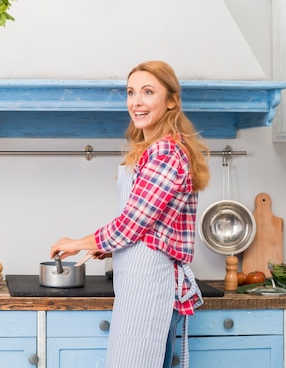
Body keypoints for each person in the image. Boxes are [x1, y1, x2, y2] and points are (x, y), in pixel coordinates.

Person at [50, 60, 210, 368]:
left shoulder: (165, 152)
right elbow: (146, 224)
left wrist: (78, 243)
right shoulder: (152, 149)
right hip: (139, 283)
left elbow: (132, 223)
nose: (136, 102)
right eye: (131, 92)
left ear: (171, 100)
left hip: (151, 284)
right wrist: (105, 247)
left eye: (148, 92)